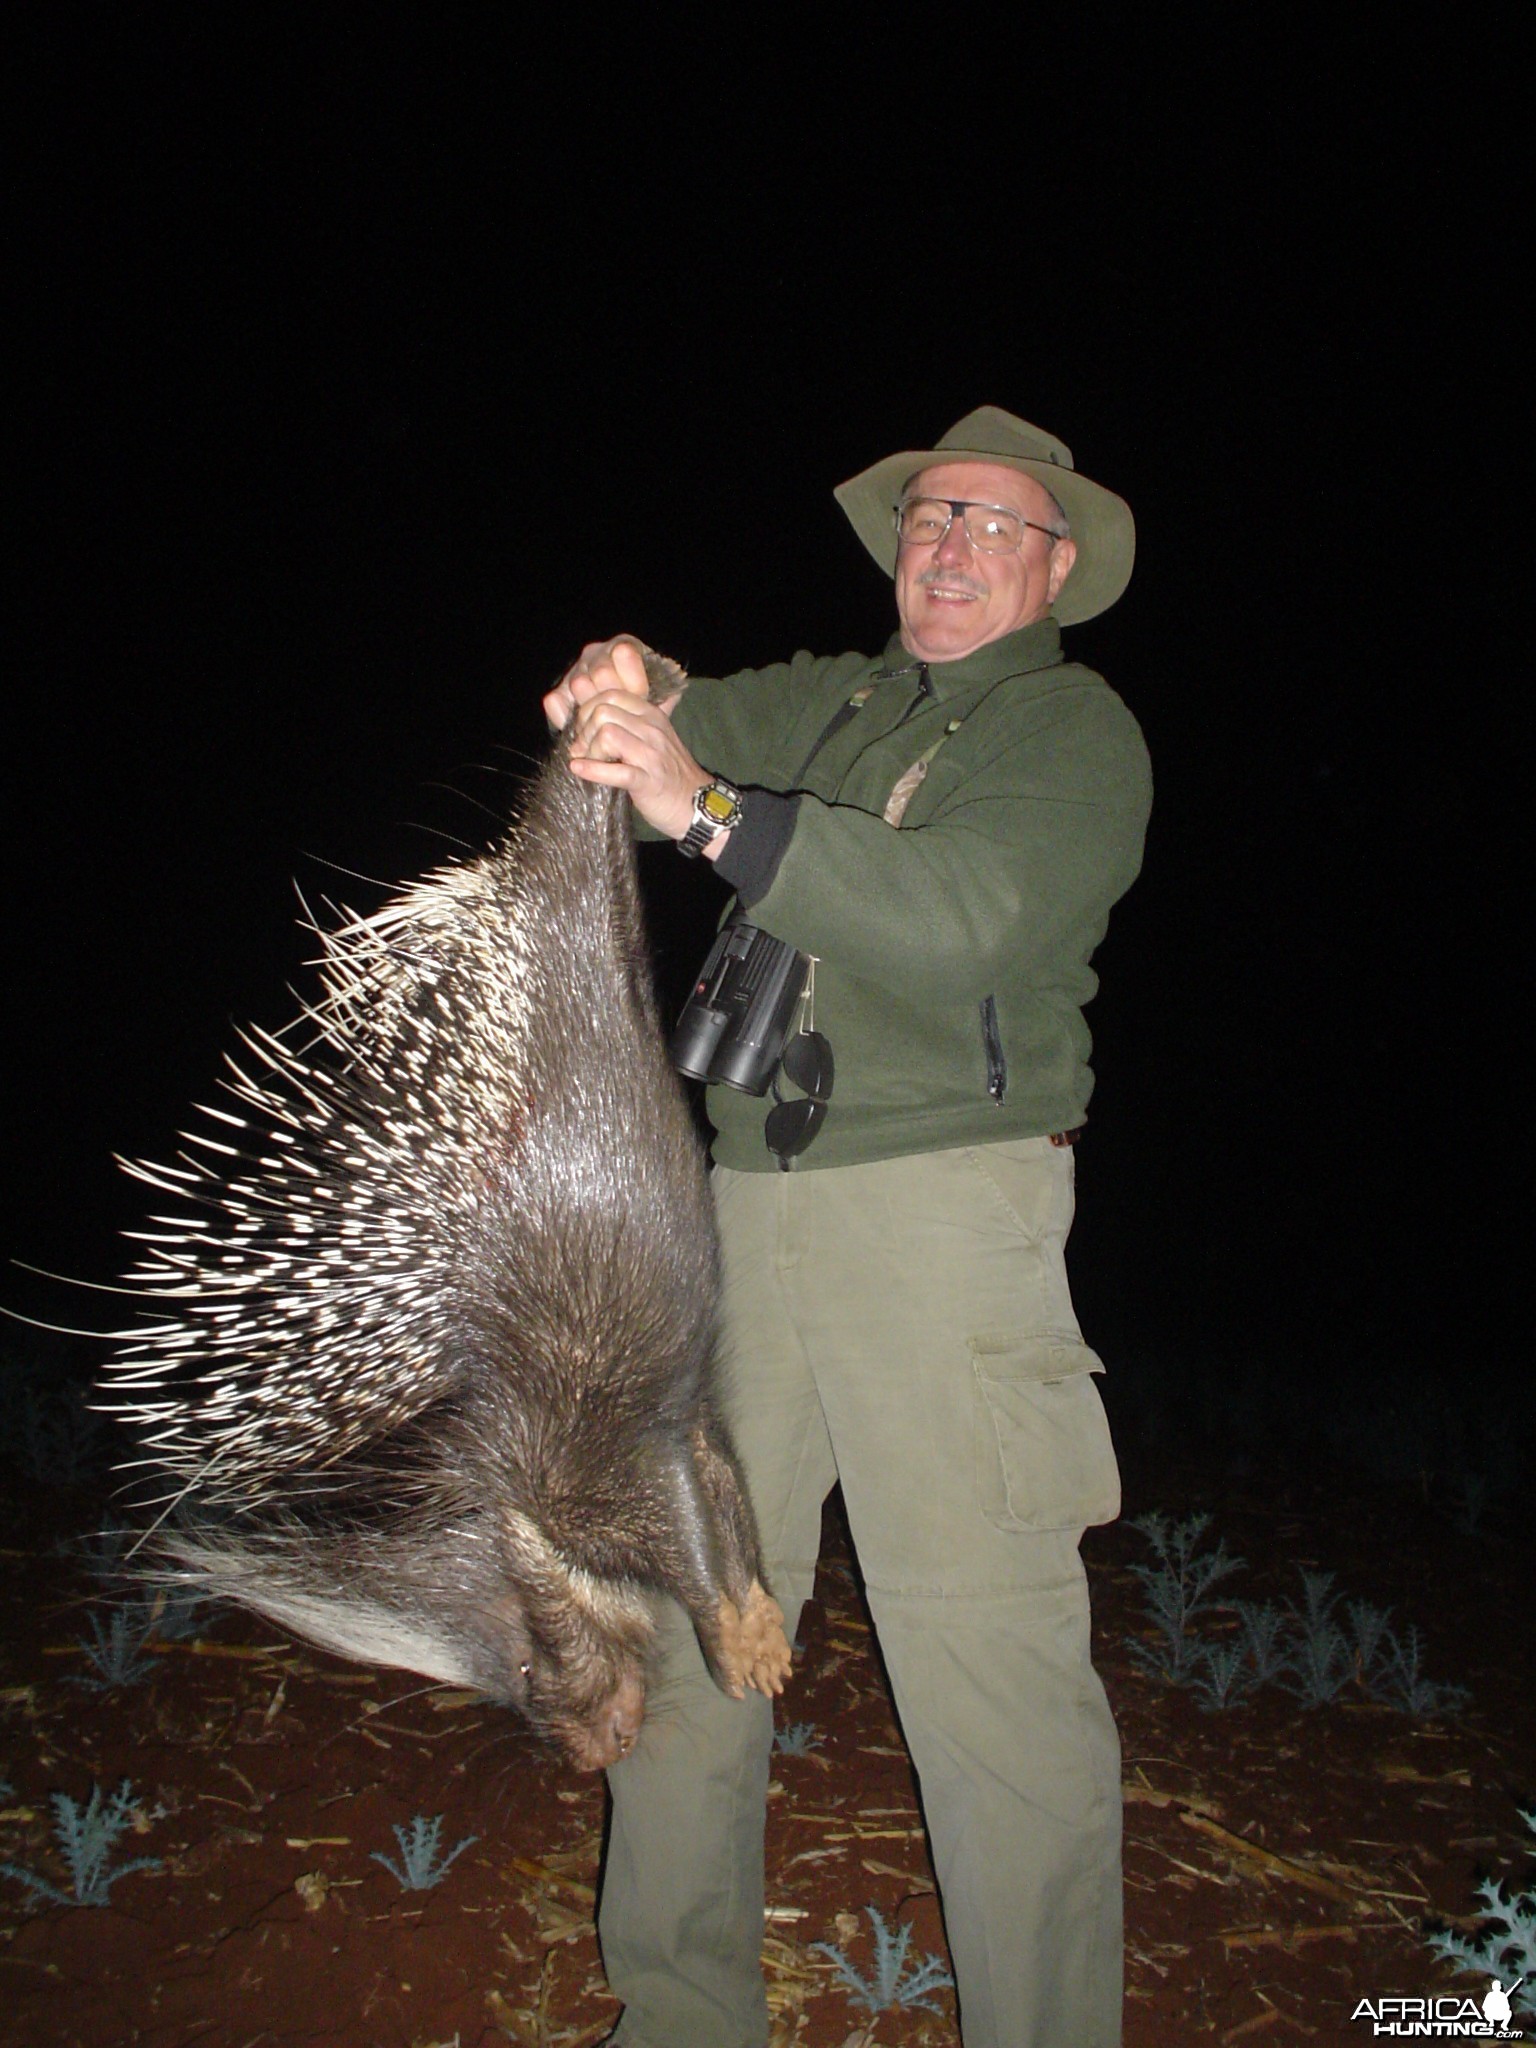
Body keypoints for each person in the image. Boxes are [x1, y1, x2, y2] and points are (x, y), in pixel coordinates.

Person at [543, 407, 1151, 2048]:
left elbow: (960, 918)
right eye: (929, 516)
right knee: (691, 1627)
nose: (949, 545)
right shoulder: (840, 700)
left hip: (944, 1223)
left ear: (1057, 566)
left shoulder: (1072, 735)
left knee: (987, 1673)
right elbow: (683, 711)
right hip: (744, 1208)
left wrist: (713, 815)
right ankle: (679, 2018)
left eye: (993, 526)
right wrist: (626, 678)